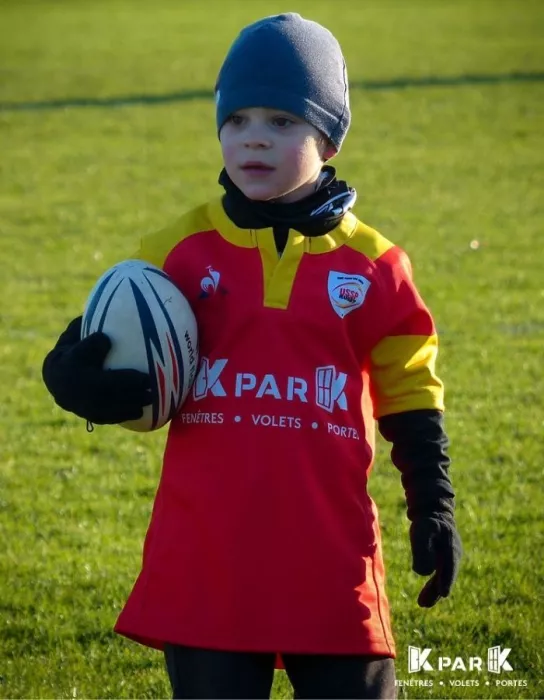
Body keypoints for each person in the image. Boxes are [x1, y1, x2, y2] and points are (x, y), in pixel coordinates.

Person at [42, 13, 462, 700]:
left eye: (283, 120)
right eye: (235, 119)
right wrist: (68, 376)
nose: (254, 136)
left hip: (331, 561)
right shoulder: (179, 251)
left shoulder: (377, 266)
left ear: (327, 138)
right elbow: (96, 334)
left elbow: (412, 392)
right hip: (206, 563)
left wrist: (433, 506)